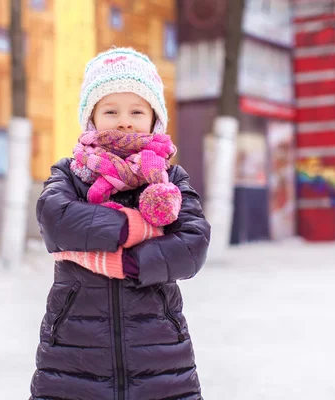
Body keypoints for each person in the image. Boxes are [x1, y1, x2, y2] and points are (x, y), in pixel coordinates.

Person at [29, 47, 211, 399]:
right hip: (73, 352)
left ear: (154, 118)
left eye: (137, 111)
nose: (124, 121)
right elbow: (54, 219)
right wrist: (133, 227)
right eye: (111, 110)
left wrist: (129, 262)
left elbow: (193, 242)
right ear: (91, 118)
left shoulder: (169, 178)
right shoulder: (71, 172)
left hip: (159, 353)